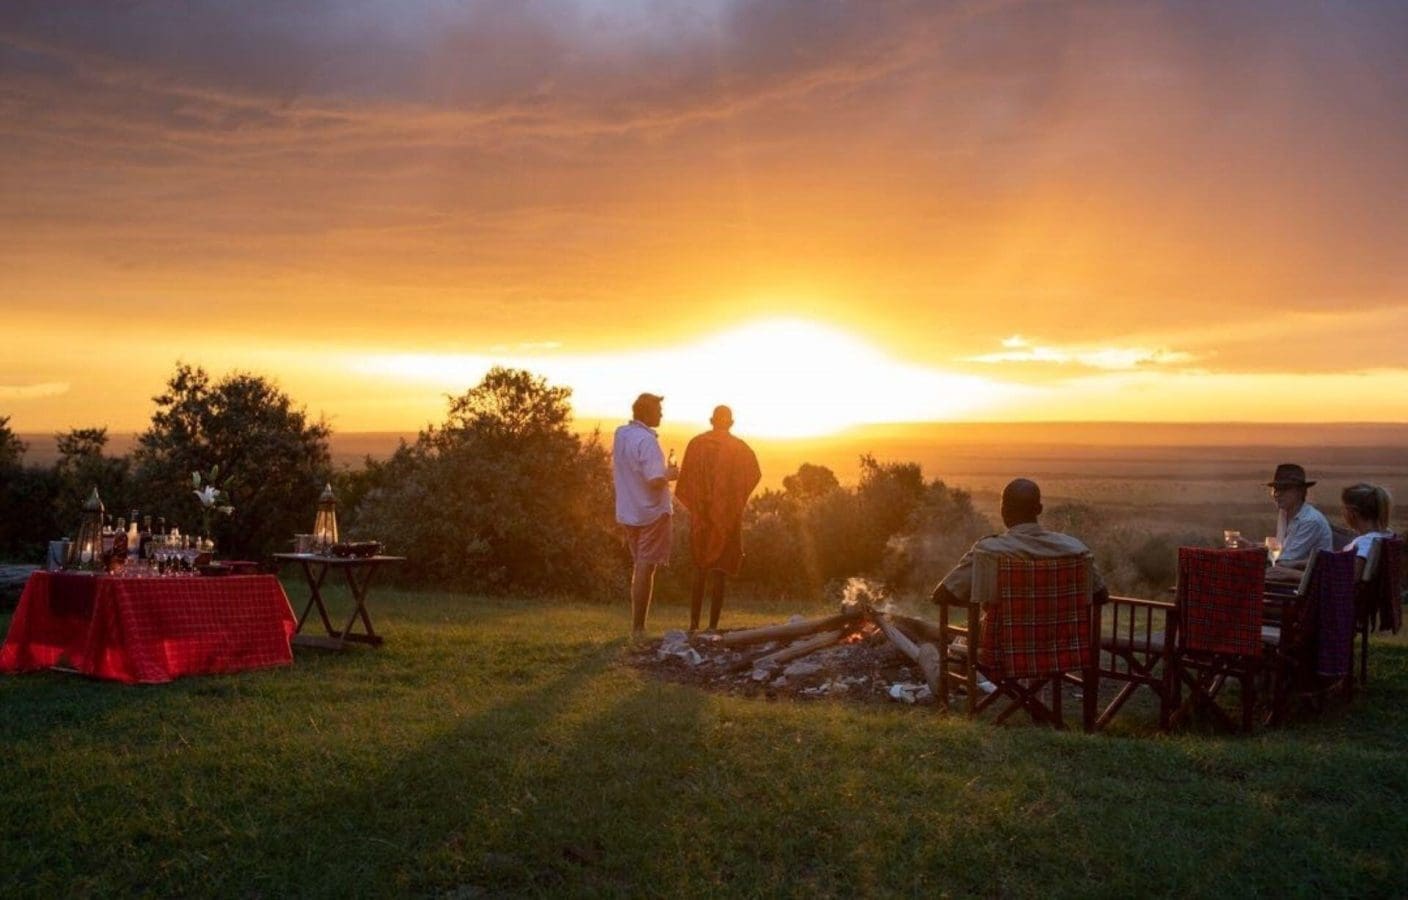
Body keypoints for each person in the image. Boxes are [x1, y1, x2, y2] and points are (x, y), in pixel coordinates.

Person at [931, 478, 1109, 609]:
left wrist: (982, 602)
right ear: (1039, 510)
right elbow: (1101, 596)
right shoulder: (1076, 549)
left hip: (1004, 654)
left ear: (1003, 511)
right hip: (1066, 655)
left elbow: (941, 595)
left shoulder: (989, 551)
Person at [673, 405, 762, 632]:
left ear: (711, 420)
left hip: (701, 519)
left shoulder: (696, 444)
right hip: (727, 518)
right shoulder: (740, 449)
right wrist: (735, 500)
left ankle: (693, 625)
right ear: (731, 423)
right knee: (720, 572)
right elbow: (755, 474)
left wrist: (698, 507)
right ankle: (712, 627)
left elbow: (684, 483)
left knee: (700, 570)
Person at [612, 393, 678, 638]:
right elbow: (655, 480)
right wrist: (671, 474)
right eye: (658, 410)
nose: (661, 414)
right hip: (651, 513)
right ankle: (638, 628)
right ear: (647, 412)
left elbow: (634, 470)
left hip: (629, 511)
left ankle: (637, 626)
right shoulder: (647, 441)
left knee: (639, 565)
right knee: (645, 568)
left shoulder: (621, 434)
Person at [1258, 463, 1334, 581]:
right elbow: (1280, 550)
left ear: (1300, 492)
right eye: (1275, 490)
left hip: (1307, 586)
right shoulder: (1284, 513)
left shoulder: (1310, 521)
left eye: (1284, 489)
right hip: (1291, 579)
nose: (1277, 494)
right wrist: (1250, 547)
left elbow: (1284, 560)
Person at [1340, 482, 1395, 581]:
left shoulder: (1366, 542)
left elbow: (1353, 577)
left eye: (1344, 508)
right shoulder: (1387, 535)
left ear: (1353, 513)